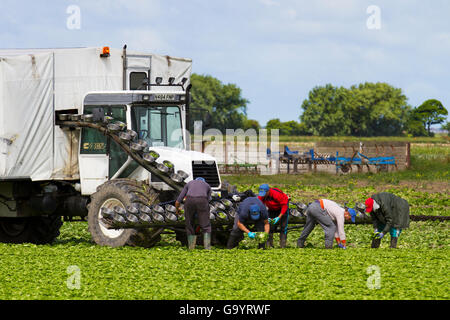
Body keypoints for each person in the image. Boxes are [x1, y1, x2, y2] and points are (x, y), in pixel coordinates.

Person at [175, 177, 212, 250]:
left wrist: (177, 210)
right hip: (202, 200)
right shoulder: (207, 185)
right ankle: (207, 248)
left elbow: (178, 201)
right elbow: (208, 200)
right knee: (206, 226)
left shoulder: (189, 183)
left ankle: (191, 247)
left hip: (189, 200)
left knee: (189, 224)